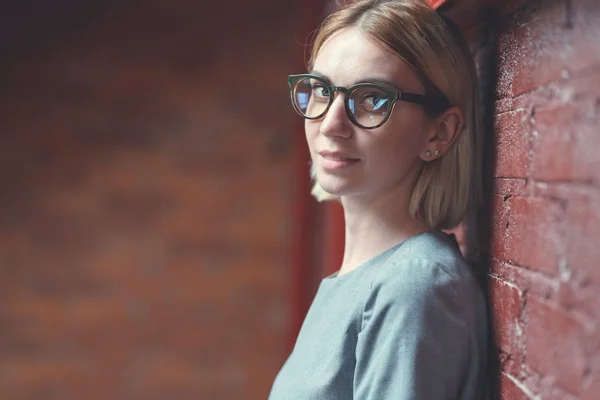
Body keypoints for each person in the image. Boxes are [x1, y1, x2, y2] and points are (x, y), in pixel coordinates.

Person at [269, 0, 488, 399]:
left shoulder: (412, 288)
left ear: (439, 133)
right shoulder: (362, 280)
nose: (331, 124)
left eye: (372, 99)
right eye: (320, 90)